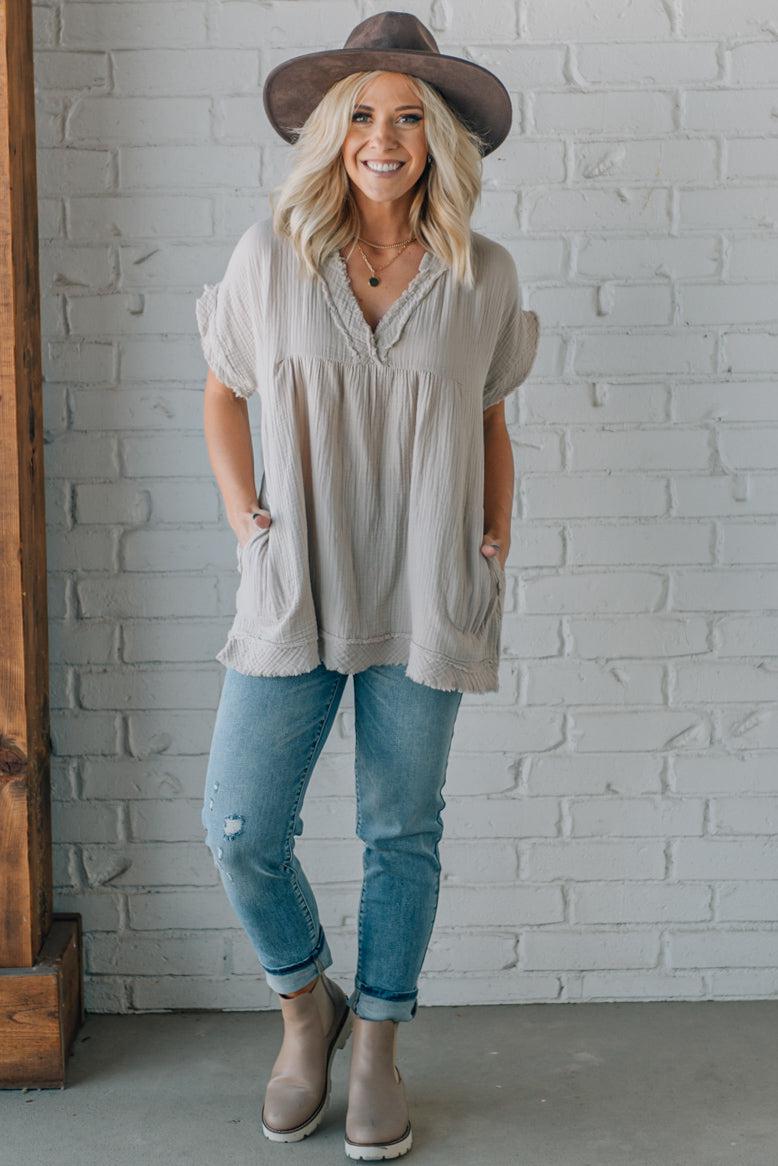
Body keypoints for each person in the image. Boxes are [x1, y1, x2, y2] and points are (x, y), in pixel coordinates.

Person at [195, 11, 540, 1160]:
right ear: (331, 134)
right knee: (240, 824)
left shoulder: (482, 274)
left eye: (406, 118)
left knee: (400, 828)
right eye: (360, 116)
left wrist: (494, 537)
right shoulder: (270, 255)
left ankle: (379, 1042)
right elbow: (223, 388)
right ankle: (308, 1009)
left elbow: (489, 419)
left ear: (439, 137)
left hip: (427, 586)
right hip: (295, 580)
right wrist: (242, 515)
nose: (382, 138)